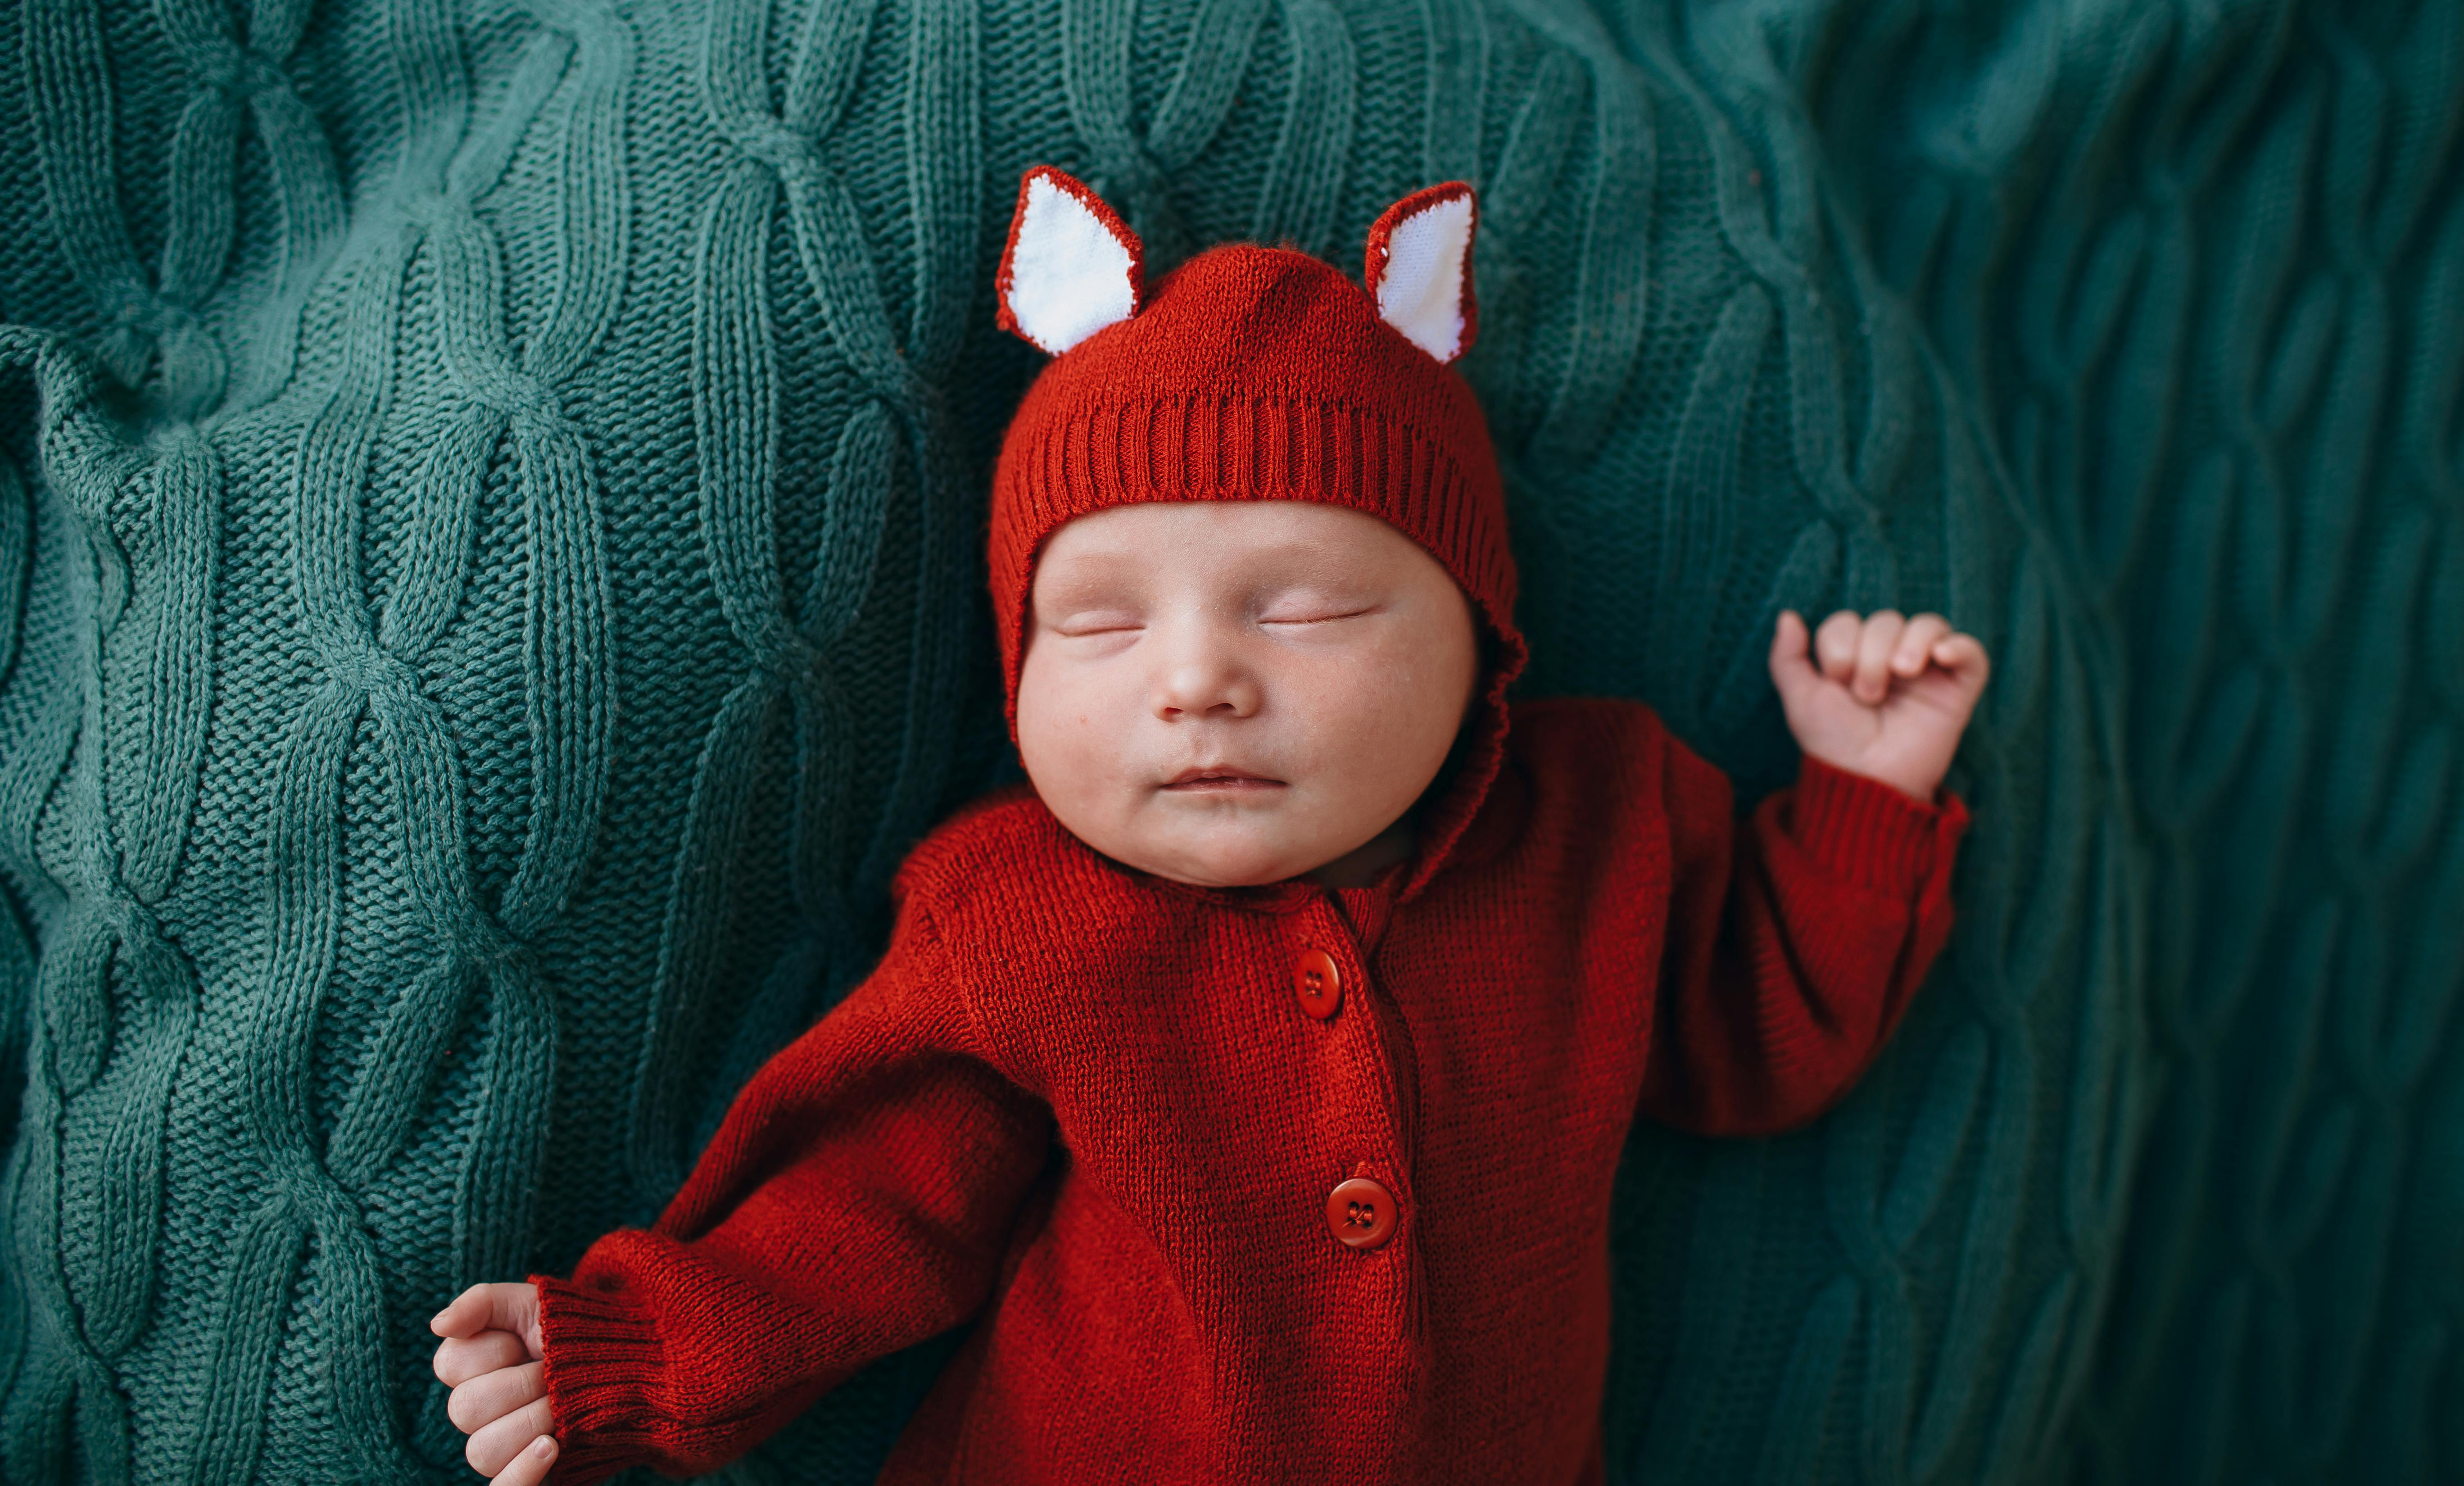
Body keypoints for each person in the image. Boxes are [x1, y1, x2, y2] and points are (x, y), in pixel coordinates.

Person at [430, 169, 1989, 1485]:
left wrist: (1863, 796)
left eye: (1310, 608)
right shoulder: (1022, 916)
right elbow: (870, 1203)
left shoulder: (1603, 829)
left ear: (1483, 644)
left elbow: (1759, 1031)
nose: (1197, 685)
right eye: (1099, 627)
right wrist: (631, 1345)